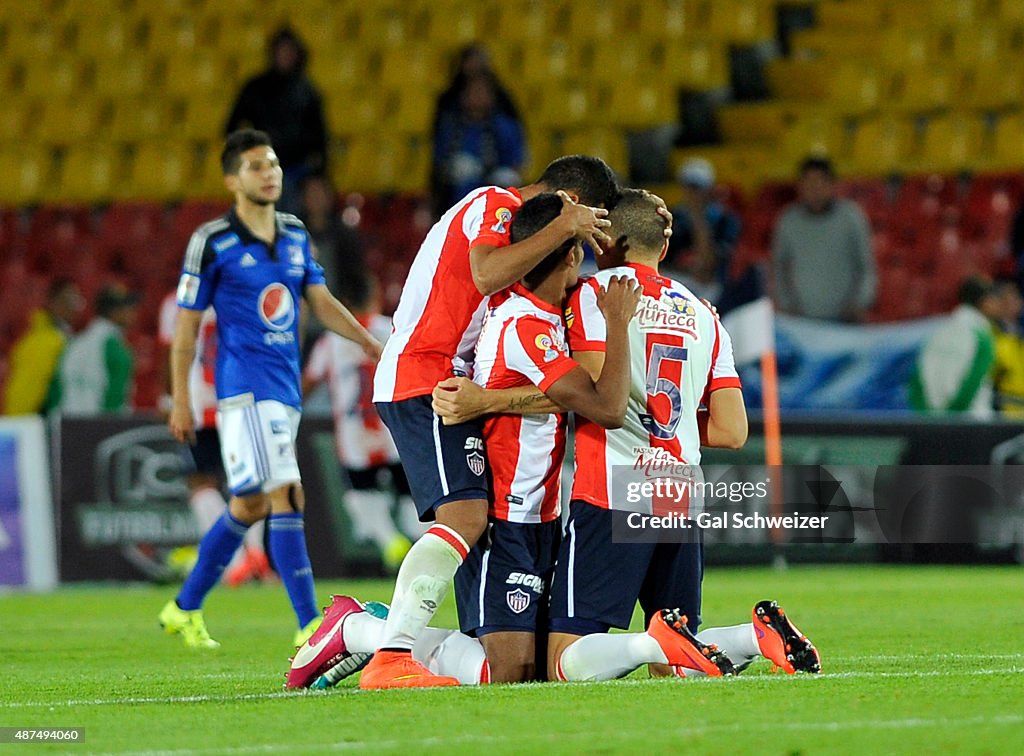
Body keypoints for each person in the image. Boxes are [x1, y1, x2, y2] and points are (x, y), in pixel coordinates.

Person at [433, 189, 821, 681]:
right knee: (675, 664)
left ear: (601, 241)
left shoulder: (592, 295)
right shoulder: (704, 312)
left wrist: (489, 400)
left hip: (613, 486)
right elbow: (731, 429)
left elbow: (590, 394)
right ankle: (753, 636)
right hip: (681, 487)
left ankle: (656, 640)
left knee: (559, 663)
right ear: (663, 247)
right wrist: (669, 423)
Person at [287, 194, 642, 688]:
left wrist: (488, 401)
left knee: (538, 670)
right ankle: (364, 633)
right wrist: (619, 324)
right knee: (509, 674)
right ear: (571, 248)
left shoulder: (542, 314)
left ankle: (366, 630)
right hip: (510, 513)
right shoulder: (523, 322)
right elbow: (606, 407)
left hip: (541, 510)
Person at [362, 154, 617, 688]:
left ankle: (360, 632)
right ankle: (387, 651)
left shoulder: (529, 283)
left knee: (472, 524)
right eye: (585, 225)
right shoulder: (494, 202)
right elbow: (483, 273)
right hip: (426, 376)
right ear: (569, 203)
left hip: (448, 379)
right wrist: (565, 224)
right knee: (466, 517)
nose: (579, 247)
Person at [159, 129, 381, 650]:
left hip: (284, 389)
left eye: (274, 164)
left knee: (251, 504)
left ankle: (184, 606)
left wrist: (370, 343)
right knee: (288, 495)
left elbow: (319, 301)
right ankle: (309, 625)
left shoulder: (296, 233)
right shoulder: (212, 241)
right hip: (245, 392)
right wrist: (184, 399)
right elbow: (187, 329)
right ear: (233, 179)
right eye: (257, 166)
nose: (270, 173)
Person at [302, 279, 420, 573]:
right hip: (395, 429)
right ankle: (419, 550)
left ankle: (389, 541)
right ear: (376, 297)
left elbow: (308, 382)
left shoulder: (331, 341)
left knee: (359, 495)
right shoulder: (394, 329)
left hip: (354, 434)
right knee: (411, 493)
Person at [156, 292, 270, 585]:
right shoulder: (247, 293)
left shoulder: (178, 301)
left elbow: (172, 351)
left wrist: (170, 399)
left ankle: (237, 560)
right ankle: (255, 551)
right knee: (246, 481)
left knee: (200, 484)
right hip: (242, 399)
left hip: (200, 403)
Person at [225, 27, 328, 213]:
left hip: (297, 170)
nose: (285, 56)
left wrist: (318, 170)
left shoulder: (306, 90)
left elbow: (319, 133)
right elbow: (232, 126)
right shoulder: (256, 88)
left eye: (289, 51)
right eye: (282, 51)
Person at [772, 156, 876, 321]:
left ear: (833, 185)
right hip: (801, 321)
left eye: (821, 183)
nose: (815, 189)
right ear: (800, 187)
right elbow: (778, 267)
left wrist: (860, 303)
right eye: (809, 183)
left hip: (845, 319)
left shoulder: (852, 217)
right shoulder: (788, 221)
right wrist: (787, 305)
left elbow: (866, 266)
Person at [432, 72, 526, 213]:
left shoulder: (505, 126)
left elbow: (517, 163)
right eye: (473, 92)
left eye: (483, 92)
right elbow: (439, 163)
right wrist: (451, 168)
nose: (478, 97)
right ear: (462, 96)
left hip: (495, 191)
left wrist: (498, 173)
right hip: (458, 194)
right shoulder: (451, 127)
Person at [909, 275, 998, 419]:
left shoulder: (938, 331)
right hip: (969, 422)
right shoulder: (982, 337)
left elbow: (918, 378)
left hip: (930, 419)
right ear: (984, 302)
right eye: (993, 299)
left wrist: (925, 415)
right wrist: (951, 417)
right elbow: (973, 382)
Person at [664, 158, 742, 305]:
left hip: (713, 290)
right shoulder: (672, 216)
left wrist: (697, 217)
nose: (692, 193)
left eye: (697, 187)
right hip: (676, 281)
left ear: (710, 189)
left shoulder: (726, 221)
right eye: (688, 186)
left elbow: (707, 270)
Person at [2, 278, 83, 415]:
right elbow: (25, 390)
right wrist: (17, 423)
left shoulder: (61, 337)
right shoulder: (44, 341)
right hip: (43, 424)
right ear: (53, 303)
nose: (74, 306)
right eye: (69, 300)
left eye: (77, 300)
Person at [56, 283, 138, 415]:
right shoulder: (115, 347)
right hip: (99, 424)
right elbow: (116, 396)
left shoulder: (76, 342)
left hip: (67, 421)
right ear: (114, 312)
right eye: (129, 308)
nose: (134, 313)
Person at [296, 174, 366, 308]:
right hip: (303, 314)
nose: (315, 198)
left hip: (337, 309)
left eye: (320, 192)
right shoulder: (294, 234)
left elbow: (357, 278)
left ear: (329, 197)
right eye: (311, 193)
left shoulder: (345, 236)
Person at [990, 277, 1024, 417]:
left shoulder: (1018, 335)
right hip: (1003, 413)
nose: (1013, 302)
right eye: (1006, 298)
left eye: (1015, 297)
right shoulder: (990, 334)